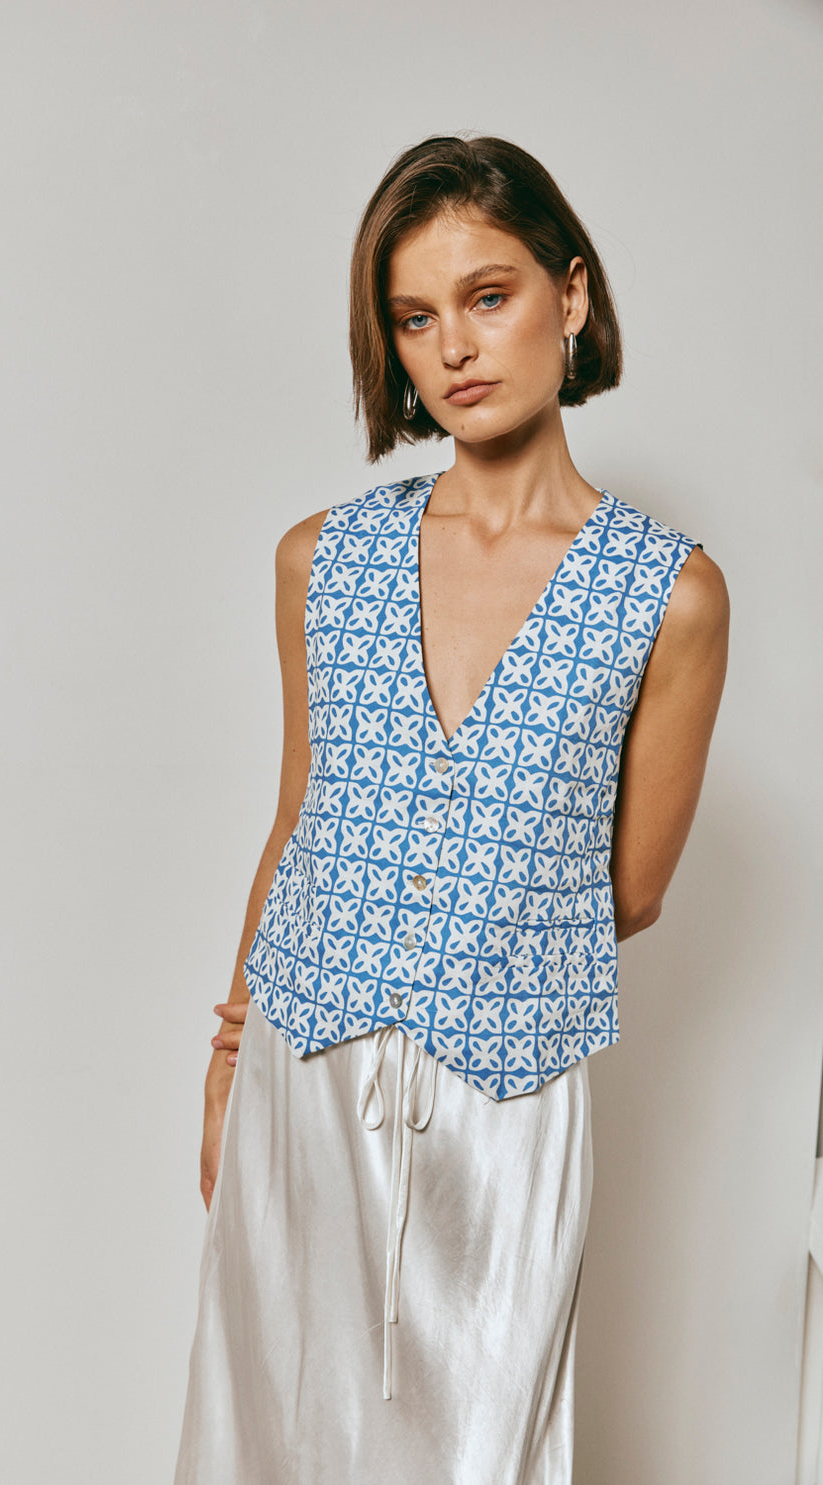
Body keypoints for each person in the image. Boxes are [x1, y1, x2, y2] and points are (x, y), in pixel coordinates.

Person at [173, 135, 729, 1485]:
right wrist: (233, 1057)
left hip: (506, 1094)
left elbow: (629, 890)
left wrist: (468, 958)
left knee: (474, 1451)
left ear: (570, 296)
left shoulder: (669, 596)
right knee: (277, 1438)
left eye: (488, 296)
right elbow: (300, 820)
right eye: (415, 318)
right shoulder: (322, 558)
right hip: (303, 1069)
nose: (455, 348)